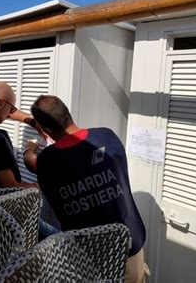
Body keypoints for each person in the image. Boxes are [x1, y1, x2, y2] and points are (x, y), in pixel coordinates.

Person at [23, 95, 149, 282]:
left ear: (47, 130)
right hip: (129, 250)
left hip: (88, 259)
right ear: (68, 115)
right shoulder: (108, 136)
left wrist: (29, 148)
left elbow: (32, 162)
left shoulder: (48, 161)